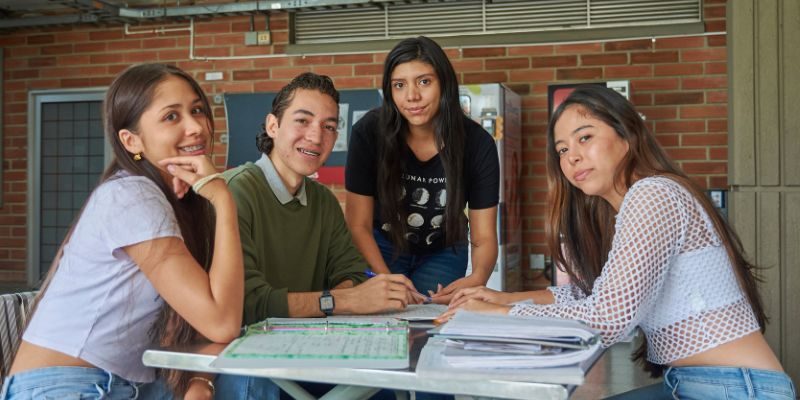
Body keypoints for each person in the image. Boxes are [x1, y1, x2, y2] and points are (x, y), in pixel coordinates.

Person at [441, 85, 796, 399]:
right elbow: (589, 294)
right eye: (562, 150)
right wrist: (505, 297)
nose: (572, 157)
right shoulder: (628, 207)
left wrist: (500, 315)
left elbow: (609, 318)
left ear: (626, 135)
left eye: (585, 138)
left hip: (738, 389)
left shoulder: (653, 195)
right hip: (698, 383)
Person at [3, 63, 243, 400]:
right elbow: (221, 321)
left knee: (247, 384)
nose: (196, 127)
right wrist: (223, 198)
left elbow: (202, 323)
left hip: (118, 386)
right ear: (131, 141)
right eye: (171, 117)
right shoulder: (132, 196)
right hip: (65, 388)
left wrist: (200, 383)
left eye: (197, 110)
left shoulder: (168, 199)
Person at [215, 72, 423, 399]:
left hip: (304, 347)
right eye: (303, 120)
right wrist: (338, 301)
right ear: (273, 126)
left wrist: (344, 298)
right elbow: (247, 303)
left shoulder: (323, 200)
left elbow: (352, 273)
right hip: (241, 357)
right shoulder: (233, 192)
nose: (316, 136)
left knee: (381, 388)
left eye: (329, 126)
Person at [345, 36, 500, 303]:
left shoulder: (477, 143)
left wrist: (478, 279)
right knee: (387, 320)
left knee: (432, 326)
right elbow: (357, 224)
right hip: (381, 246)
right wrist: (384, 280)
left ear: (444, 83)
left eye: (424, 81)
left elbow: (484, 235)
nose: (412, 96)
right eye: (399, 85)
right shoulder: (369, 132)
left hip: (444, 251)